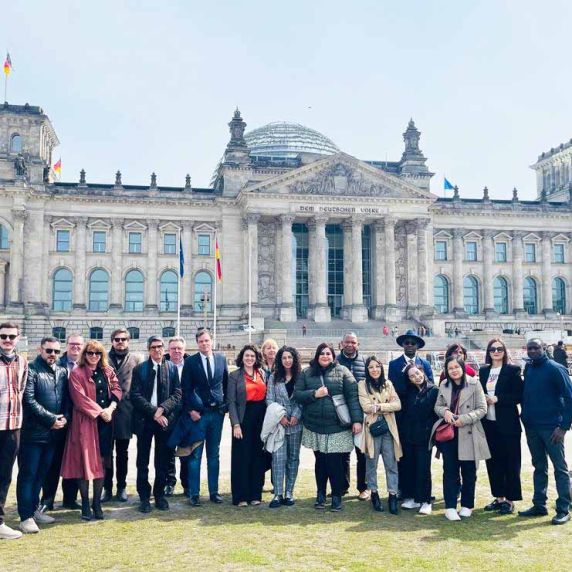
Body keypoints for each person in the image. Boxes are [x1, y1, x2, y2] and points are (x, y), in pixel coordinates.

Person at [294, 343, 362, 512]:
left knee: (334, 463)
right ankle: (320, 494)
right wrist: (314, 394)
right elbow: (297, 394)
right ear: (317, 356)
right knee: (320, 462)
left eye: (328, 353)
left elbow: (352, 397)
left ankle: (337, 495)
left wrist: (357, 420)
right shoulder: (306, 373)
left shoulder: (343, 372)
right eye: (322, 353)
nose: (325, 356)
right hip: (315, 425)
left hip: (337, 426)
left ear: (333, 356)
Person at [60, 341, 122, 521]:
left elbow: (117, 389)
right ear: (84, 354)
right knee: (85, 464)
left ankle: (97, 503)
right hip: (86, 423)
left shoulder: (108, 371)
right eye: (89, 353)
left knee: (102, 463)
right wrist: (100, 412)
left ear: (101, 354)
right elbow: (79, 399)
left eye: (97, 353)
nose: (93, 356)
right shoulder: (77, 373)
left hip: (105, 424)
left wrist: (110, 409)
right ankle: (85, 503)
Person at [16, 337, 70, 533]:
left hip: (53, 435)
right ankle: (25, 516)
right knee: (28, 475)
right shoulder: (31, 370)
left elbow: (66, 399)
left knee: (42, 474)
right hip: (32, 434)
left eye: (56, 351)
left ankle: (35, 510)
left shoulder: (62, 371)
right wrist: (51, 419)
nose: (52, 354)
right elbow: (28, 400)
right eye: (49, 351)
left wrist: (64, 418)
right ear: (41, 350)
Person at [518, 338, 572, 525]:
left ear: (544, 349)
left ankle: (564, 508)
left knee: (560, 468)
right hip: (532, 426)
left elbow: (569, 397)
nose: (532, 351)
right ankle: (539, 504)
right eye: (529, 348)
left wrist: (564, 427)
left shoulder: (556, 369)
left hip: (552, 428)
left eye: (536, 348)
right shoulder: (530, 368)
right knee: (539, 467)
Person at [431, 356, 489, 521]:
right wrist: (446, 413)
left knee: (469, 471)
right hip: (449, 434)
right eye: (450, 368)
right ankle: (450, 506)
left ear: (463, 367)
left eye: (456, 367)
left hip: (468, 431)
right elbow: (438, 406)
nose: (454, 370)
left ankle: (467, 505)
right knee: (450, 471)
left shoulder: (474, 383)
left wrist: (464, 418)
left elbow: (482, 408)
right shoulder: (444, 384)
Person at [131, 336, 182, 514]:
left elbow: (177, 394)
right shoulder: (140, 369)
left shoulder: (172, 368)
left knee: (162, 460)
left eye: (160, 347)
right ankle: (144, 497)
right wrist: (153, 412)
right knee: (142, 460)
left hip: (164, 421)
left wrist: (162, 409)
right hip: (145, 420)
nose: (157, 350)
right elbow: (135, 395)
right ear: (149, 349)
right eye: (153, 347)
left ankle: (159, 495)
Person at [180, 328, 228, 506]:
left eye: (207, 341)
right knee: (196, 455)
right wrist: (190, 411)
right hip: (198, 416)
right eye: (201, 341)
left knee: (214, 455)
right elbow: (185, 389)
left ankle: (214, 492)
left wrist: (225, 406)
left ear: (212, 341)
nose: (204, 344)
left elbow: (225, 384)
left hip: (217, 415)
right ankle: (194, 494)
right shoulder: (191, 362)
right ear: (197, 343)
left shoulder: (222, 359)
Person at [479, 338, 523, 515]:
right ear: (488, 353)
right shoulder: (483, 371)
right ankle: (499, 497)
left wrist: (498, 399)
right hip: (489, 424)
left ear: (504, 351)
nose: (496, 352)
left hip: (508, 424)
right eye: (492, 349)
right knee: (493, 462)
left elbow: (519, 396)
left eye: (499, 349)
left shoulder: (513, 370)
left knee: (511, 462)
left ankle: (510, 500)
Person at [388, 330, 433, 497]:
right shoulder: (394, 365)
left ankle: (421, 491)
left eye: (413, 343)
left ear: (417, 346)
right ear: (402, 345)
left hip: (421, 420)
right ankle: (404, 489)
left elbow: (430, 389)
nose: (409, 345)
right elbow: (392, 390)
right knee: (404, 456)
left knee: (422, 460)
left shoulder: (425, 364)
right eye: (406, 342)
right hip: (402, 417)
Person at [41, 333, 83, 511]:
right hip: (57, 420)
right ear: (67, 346)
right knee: (53, 461)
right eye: (72, 344)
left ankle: (70, 499)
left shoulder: (86, 365)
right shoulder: (56, 362)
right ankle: (48, 500)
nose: (75, 347)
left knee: (73, 460)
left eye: (79, 345)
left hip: (77, 420)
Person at [358, 356, 401, 514]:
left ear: (381, 368)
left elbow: (397, 404)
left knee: (391, 463)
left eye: (377, 366)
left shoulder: (388, 383)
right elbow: (366, 406)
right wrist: (386, 406)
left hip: (388, 428)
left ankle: (392, 494)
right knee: (372, 462)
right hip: (373, 429)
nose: (374, 370)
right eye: (371, 367)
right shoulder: (362, 384)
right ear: (367, 369)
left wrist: (380, 406)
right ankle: (374, 492)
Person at [103, 328, 141, 503]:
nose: (120, 342)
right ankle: (107, 488)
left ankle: (122, 487)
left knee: (123, 453)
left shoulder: (136, 359)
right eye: (117, 339)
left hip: (126, 412)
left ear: (128, 341)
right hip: (106, 413)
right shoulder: (103, 358)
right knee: (106, 453)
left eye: (123, 339)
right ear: (112, 341)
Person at [227, 344, 268, 506]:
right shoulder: (234, 376)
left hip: (260, 419)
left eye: (252, 356)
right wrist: (235, 424)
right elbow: (231, 402)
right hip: (243, 419)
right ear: (242, 358)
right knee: (241, 457)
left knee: (257, 456)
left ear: (256, 358)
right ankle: (241, 496)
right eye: (246, 356)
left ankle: (255, 494)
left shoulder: (262, 373)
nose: (249, 358)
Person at [0, 322, 28, 541]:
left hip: (13, 426)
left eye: (11, 336)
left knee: (4, 475)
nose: (7, 340)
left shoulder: (22, 362)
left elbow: (21, 392)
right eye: (3, 336)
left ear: (18, 338)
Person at [266, 346, 303, 507]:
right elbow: (269, 400)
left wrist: (296, 415)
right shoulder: (274, 378)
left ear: (294, 359)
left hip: (296, 424)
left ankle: (289, 492)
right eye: (284, 358)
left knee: (293, 458)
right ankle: (278, 494)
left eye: (290, 357)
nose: (287, 360)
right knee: (278, 459)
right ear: (280, 360)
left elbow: (303, 399)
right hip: (279, 425)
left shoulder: (301, 377)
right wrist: (280, 417)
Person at [399, 364, 438, 515]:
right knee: (409, 466)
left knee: (423, 468)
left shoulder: (433, 390)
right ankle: (413, 498)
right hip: (408, 435)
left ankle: (425, 500)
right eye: (412, 376)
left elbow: (435, 414)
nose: (417, 377)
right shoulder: (408, 391)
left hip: (425, 436)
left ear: (422, 372)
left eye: (418, 373)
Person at [337, 332, 368, 500]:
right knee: (343, 452)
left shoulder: (364, 362)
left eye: (353, 342)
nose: (350, 345)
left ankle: (363, 487)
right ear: (341, 343)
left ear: (358, 344)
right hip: (340, 412)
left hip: (360, 413)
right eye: (347, 342)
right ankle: (342, 486)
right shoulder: (335, 361)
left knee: (361, 452)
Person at [165, 336, 190, 497]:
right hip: (169, 414)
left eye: (179, 348)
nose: (176, 351)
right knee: (168, 451)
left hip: (187, 414)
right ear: (169, 350)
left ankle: (187, 484)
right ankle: (169, 483)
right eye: (173, 348)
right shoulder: (163, 365)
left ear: (184, 350)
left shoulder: (191, 364)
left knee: (186, 451)